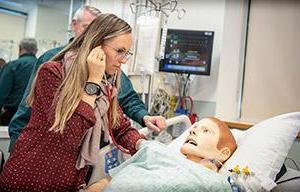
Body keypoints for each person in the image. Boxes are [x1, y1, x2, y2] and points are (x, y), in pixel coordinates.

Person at [0, 13, 149, 191]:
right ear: (96, 46)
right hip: (32, 176)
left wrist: (144, 146)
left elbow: (119, 127)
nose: (124, 60)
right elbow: (70, 134)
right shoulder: (53, 73)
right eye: (119, 51)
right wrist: (92, 82)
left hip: (68, 179)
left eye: (127, 53)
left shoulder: (106, 85)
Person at [8, 6, 166, 151]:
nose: (123, 60)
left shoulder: (108, 75)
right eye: (87, 28)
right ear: (74, 25)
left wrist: (145, 118)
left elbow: (125, 105)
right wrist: (16, 150)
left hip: (81, 161)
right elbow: (28, 113)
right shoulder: (53, 65)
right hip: (40, 160)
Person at [86, 117, 237, 192]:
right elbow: (107, 181)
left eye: (206, 131)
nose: (192, 130)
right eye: (195, 127)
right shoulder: (154, 150)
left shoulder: (216, 183)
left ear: (223, 153)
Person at [0, 38, 37, 126]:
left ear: (20, 48)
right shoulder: (43, 66)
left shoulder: (11, 66)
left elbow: (2, 93)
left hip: (12, 115)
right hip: (34, 116)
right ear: (36, 51)